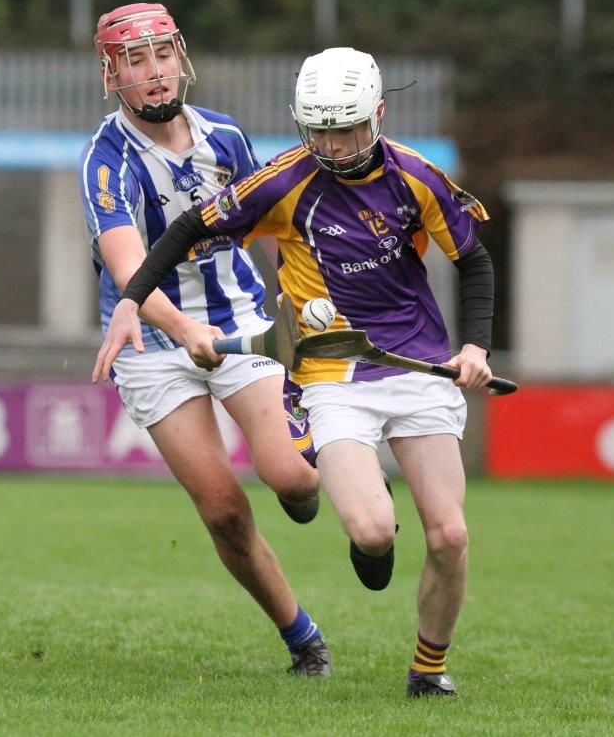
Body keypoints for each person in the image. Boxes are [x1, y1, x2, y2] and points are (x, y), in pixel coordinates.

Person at [94, 47, 496, 697]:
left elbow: (474, 261)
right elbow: (187, 228)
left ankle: (428, 668)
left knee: (449, 534)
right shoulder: (284, 181)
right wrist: (134, 300)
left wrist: (475, 347)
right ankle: (373, 538)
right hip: (331, 374)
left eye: (349, 130)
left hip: (417, 366)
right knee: (369, 531)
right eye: (321, 130)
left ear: (379, 115)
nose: (335, 147)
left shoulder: (417, 177)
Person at [82, 3, 330, 677]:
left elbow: (272, 224)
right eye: (135, 62)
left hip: (241, 324)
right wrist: (185, 328)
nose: (155, 74)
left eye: (162, 55)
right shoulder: (106, 161)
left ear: (181, 57)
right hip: (159, 350)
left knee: (292, 478)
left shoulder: (227, 138)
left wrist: (302, 303)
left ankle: (323, 458)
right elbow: (129, 264)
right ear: (111, 76)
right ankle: (303, 637)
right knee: (223, 510)